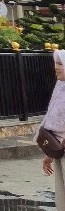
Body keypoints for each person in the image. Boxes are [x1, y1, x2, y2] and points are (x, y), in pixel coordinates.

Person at [41, 50, 65, 210]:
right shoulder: (60, 90)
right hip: (60, 151)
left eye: (60, 63)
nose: (56, 67)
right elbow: (53, 122)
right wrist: (50, 152)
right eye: (56, 63)